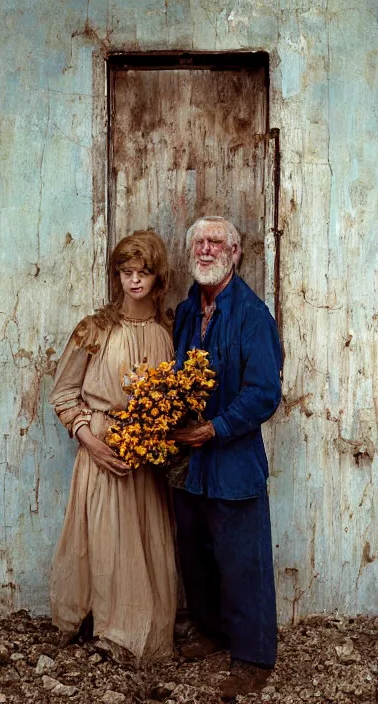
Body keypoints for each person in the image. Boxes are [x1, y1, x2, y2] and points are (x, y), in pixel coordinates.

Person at [48, 230, 177, 663]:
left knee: (144, 543)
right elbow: (64, 394)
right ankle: (109, 630)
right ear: (116, 276)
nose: (134, 281)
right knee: (105, 542)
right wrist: (93, 443)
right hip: (102, 449)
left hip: (147, 457)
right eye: (126, 272)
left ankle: (143, 631)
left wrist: (157, 436)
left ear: (158, 278)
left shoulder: (168, 328)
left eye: (143, 273)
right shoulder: (95, 329)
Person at [170, 216, 282, 698]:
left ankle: (253, 657)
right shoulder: (186, 312)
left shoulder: (253, 315)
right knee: (197, 556)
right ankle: (213, 633)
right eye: (200, 242)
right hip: (189, 464)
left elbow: (264, 393)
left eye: (217, 242)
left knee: (243, 561)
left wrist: (215, 427)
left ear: (235, 253)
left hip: (232, 461)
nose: (207, 249)